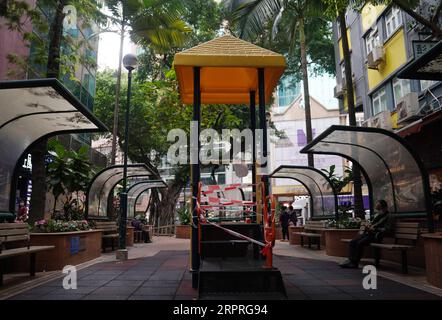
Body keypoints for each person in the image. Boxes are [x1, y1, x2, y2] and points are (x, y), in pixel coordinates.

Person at [340, 200, 393, 268]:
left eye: (378, 204)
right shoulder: (377, 215)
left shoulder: (389, 216)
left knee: (360, 243)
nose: (376, 205)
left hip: (376, 235)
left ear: (383, 207)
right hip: (369, 234)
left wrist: (374, 229)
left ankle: (355, 262)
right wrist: (363, 224)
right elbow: (370, 223)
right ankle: (350, 260)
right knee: (353, 242)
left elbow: (387, 229)